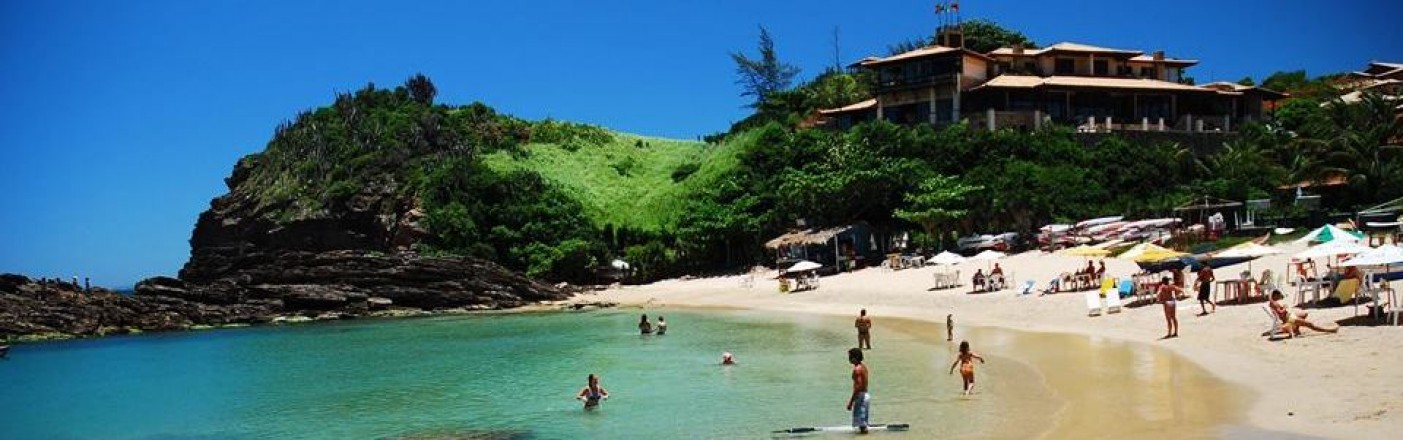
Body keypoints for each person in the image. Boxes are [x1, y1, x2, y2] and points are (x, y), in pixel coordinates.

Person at [1269, 290, 1339, 337]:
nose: (1279, 297)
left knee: (1304, 314)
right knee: (1310, 324)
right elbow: (1280, 312)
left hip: (1289, 316)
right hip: (1289, 318)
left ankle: (1296, 330)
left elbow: (1278, 310)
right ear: (1275, 296)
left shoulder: (1272, 302)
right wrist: (1284, 307)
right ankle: (1330, 330)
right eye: (1278, 296)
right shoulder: (1275, 304)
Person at [845, 347, 870, 434]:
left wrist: (851, 402)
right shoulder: (863, 367)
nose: (849, 359)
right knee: (861, 423)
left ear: (854, 358)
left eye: (850, 356)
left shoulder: (857, 370)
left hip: (861, 396)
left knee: (862, 426)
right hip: (864, 395)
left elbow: (858, 386)